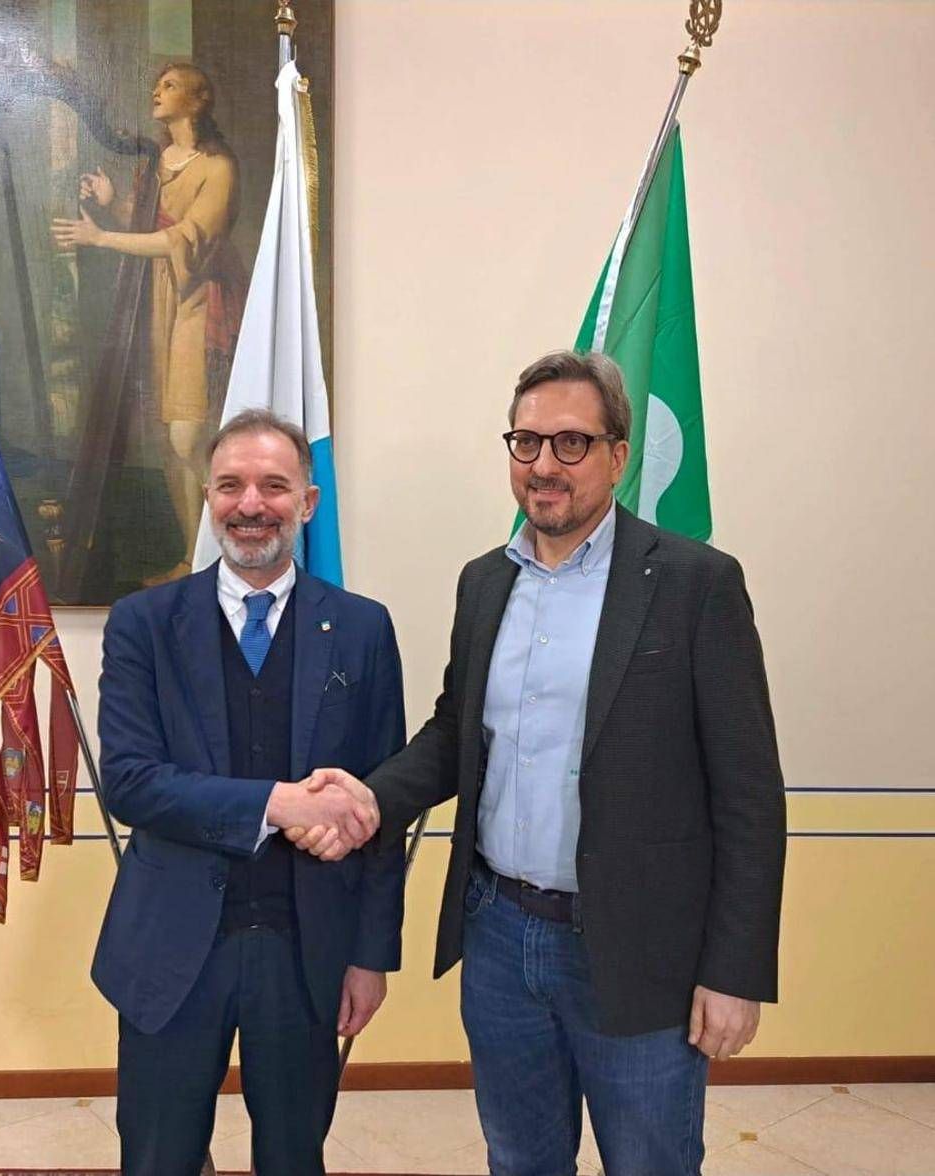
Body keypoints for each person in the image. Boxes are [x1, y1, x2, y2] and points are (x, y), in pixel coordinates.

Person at [292, 351, 787, 1176]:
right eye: (526, 442)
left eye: (570, 443)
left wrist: (735, 972)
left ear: (618, 456)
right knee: (520, 1160)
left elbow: (750, 796)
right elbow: (457, 734)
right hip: (498, 938)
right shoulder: (485, 583)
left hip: (640, 951)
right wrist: (368, 799)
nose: (544, 465)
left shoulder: (695, 584)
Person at [92, 408, 402, 1176]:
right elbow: (130, 781)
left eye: (273, 485)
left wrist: (371, 957)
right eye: (230, 485)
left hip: (306, 955)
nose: (251, 504)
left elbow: (381, 808)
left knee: (294, 1158)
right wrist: (279, 804)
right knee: (157, 1159)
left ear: (309, 502)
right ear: (208, 497)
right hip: (170, 951)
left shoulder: (362, 629)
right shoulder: (143, 624)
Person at [54, 62, 246, 587]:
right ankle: (193, 558)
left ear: (198, 100)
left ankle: (220, 556)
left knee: (188, 437)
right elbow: (150, 227)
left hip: (199, 300)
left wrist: (101, 238)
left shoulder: (218, 168)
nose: (156, 92)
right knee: (167, 440)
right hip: (161, 301)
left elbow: (181, 241)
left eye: (169, 86)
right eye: (156, 85)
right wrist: (113, 206)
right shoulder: (158, 161)